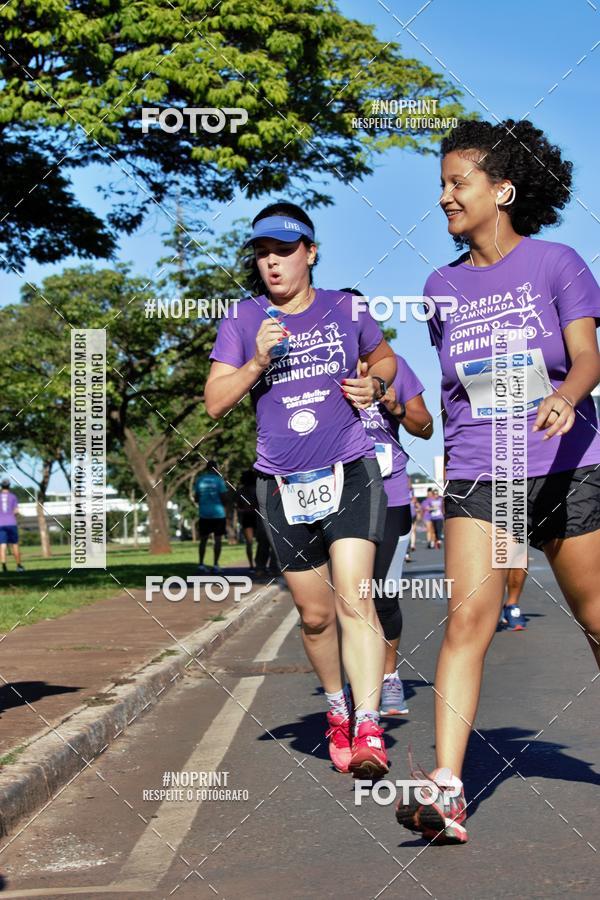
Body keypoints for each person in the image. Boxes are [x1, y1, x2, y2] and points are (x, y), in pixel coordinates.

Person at [396, 118, 600, 845]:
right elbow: (456, 391)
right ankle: (447, 789)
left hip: (564, 465)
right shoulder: (439, 286)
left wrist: (566, 396)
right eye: (443, 184)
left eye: (459, 182)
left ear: (502, 190)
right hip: (481, 474)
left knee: (597, 619)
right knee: (466, 621)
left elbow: (585, 355)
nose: (445, 196)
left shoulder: (557, 264)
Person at [205, 201, 397, 778]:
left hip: (351, 468)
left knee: (354, 598)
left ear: (310, 253)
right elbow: (215, 403)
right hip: (281, 482)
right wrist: (258, 359)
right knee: (315, 617)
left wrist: (376, 384)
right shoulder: (243, 320)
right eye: (263, 254)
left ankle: (368, 728)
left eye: (284, 251)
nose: (273, 264)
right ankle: (337, 709)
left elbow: (383, 357)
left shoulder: (346, 307)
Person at [349, 330, 433, 716]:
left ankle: (388, 677)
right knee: (349, 598)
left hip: (391, 496)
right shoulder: (322, 371)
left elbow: (426, 427)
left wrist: (395, 406)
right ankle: (360, 684)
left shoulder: (397, 370)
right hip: (341, 499)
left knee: (381, 594)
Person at [193, 461, 228, 573]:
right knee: (217, 540)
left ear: (206, 468)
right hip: (218, 514)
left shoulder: (200, 480)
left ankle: (201, 564)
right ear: (216, 468)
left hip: (204, 514)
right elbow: (224, 497)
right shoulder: (219, 480)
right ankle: (216, 565)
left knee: (203, 540)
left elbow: (196, 498)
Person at [0, 480, 24, 573]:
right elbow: (16, 511)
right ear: (9, 486)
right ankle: (18, 565)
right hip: (11, 523)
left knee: (2, 545)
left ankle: (4, 566)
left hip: (1, 524)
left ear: (1, 486)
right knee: (15, 544)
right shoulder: (13, 497)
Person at [236, 469, 258, 570]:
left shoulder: (240, 491)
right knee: (262, 541)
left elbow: (238, 507)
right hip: (258, 516)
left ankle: (251, 565)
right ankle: (259, 564)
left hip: (247, 517)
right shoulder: (257, 489)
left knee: (249, 543)